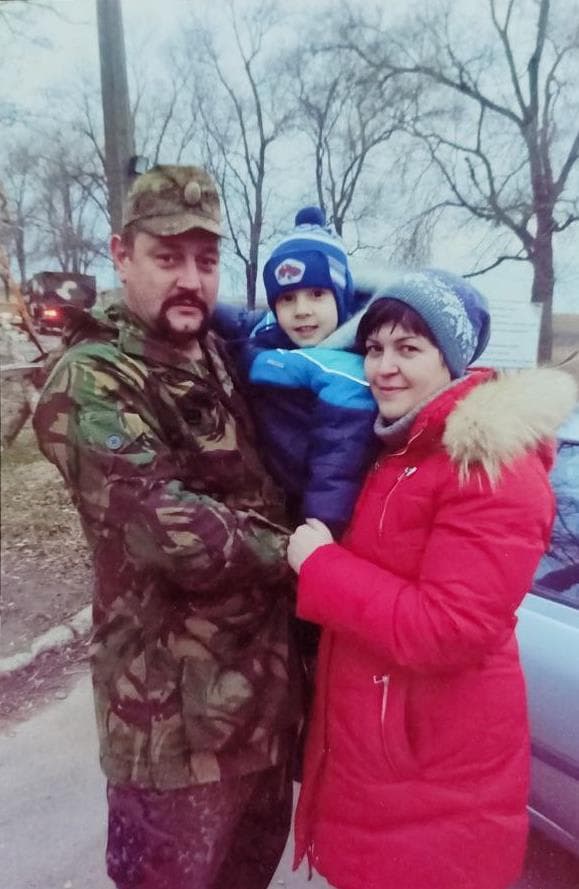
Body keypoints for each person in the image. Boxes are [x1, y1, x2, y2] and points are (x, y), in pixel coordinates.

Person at [33, 165, 302, 889]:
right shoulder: (93, 378)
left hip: (262, 721)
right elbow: (168, 528)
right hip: (172, 741)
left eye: (205, 261)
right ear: (121, 256)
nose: (190, 279)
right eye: (167, 257)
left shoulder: (219, 354)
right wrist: (302, 553)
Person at [287, 268, 577, 889]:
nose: (382, 367)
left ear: (452, 360)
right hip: (391, 770)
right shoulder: (402, 448)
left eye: (409, 349)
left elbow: (451, 628)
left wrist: (320, 566)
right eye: (373, 348)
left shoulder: (488, 466)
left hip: (433, 787)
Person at [214, 206, 377, 537]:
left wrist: (319, 528)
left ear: (341, 297)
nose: (302, 311)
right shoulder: (271, 331)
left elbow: (338, 465)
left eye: (317, 294)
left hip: (306, 504)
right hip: (268, 484)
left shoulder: (347, 372)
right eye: (287, 298)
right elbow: (240, 319)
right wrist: (198, 304)